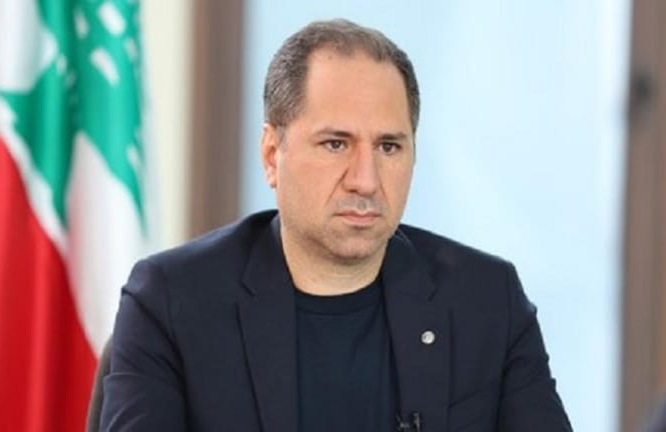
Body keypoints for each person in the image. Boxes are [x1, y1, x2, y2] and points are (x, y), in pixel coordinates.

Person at [100, 18, 571, 431]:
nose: (365, 180)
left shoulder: (487, 302)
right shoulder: (173, 302)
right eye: (336, 144)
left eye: (388, 147)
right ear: (272, 155)